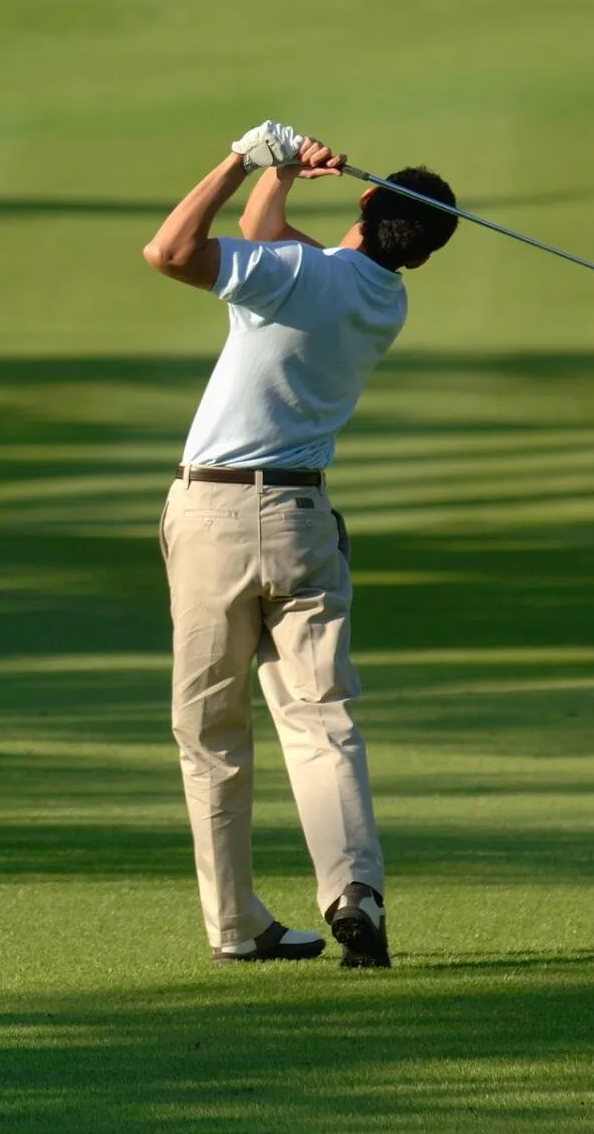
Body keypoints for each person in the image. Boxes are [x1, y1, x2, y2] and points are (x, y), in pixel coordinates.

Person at [139, 122, 458, 969]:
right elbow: (269, 245)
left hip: (214, 517)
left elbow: (169, 251)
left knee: (212, 732)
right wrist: (278, 178)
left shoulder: (294, 277)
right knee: (321, 720)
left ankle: (236, 927)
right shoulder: (384, 299)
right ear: (421, 254)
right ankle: (356, 891)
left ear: (363, 198)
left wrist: (246, 161)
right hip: (305, 526)